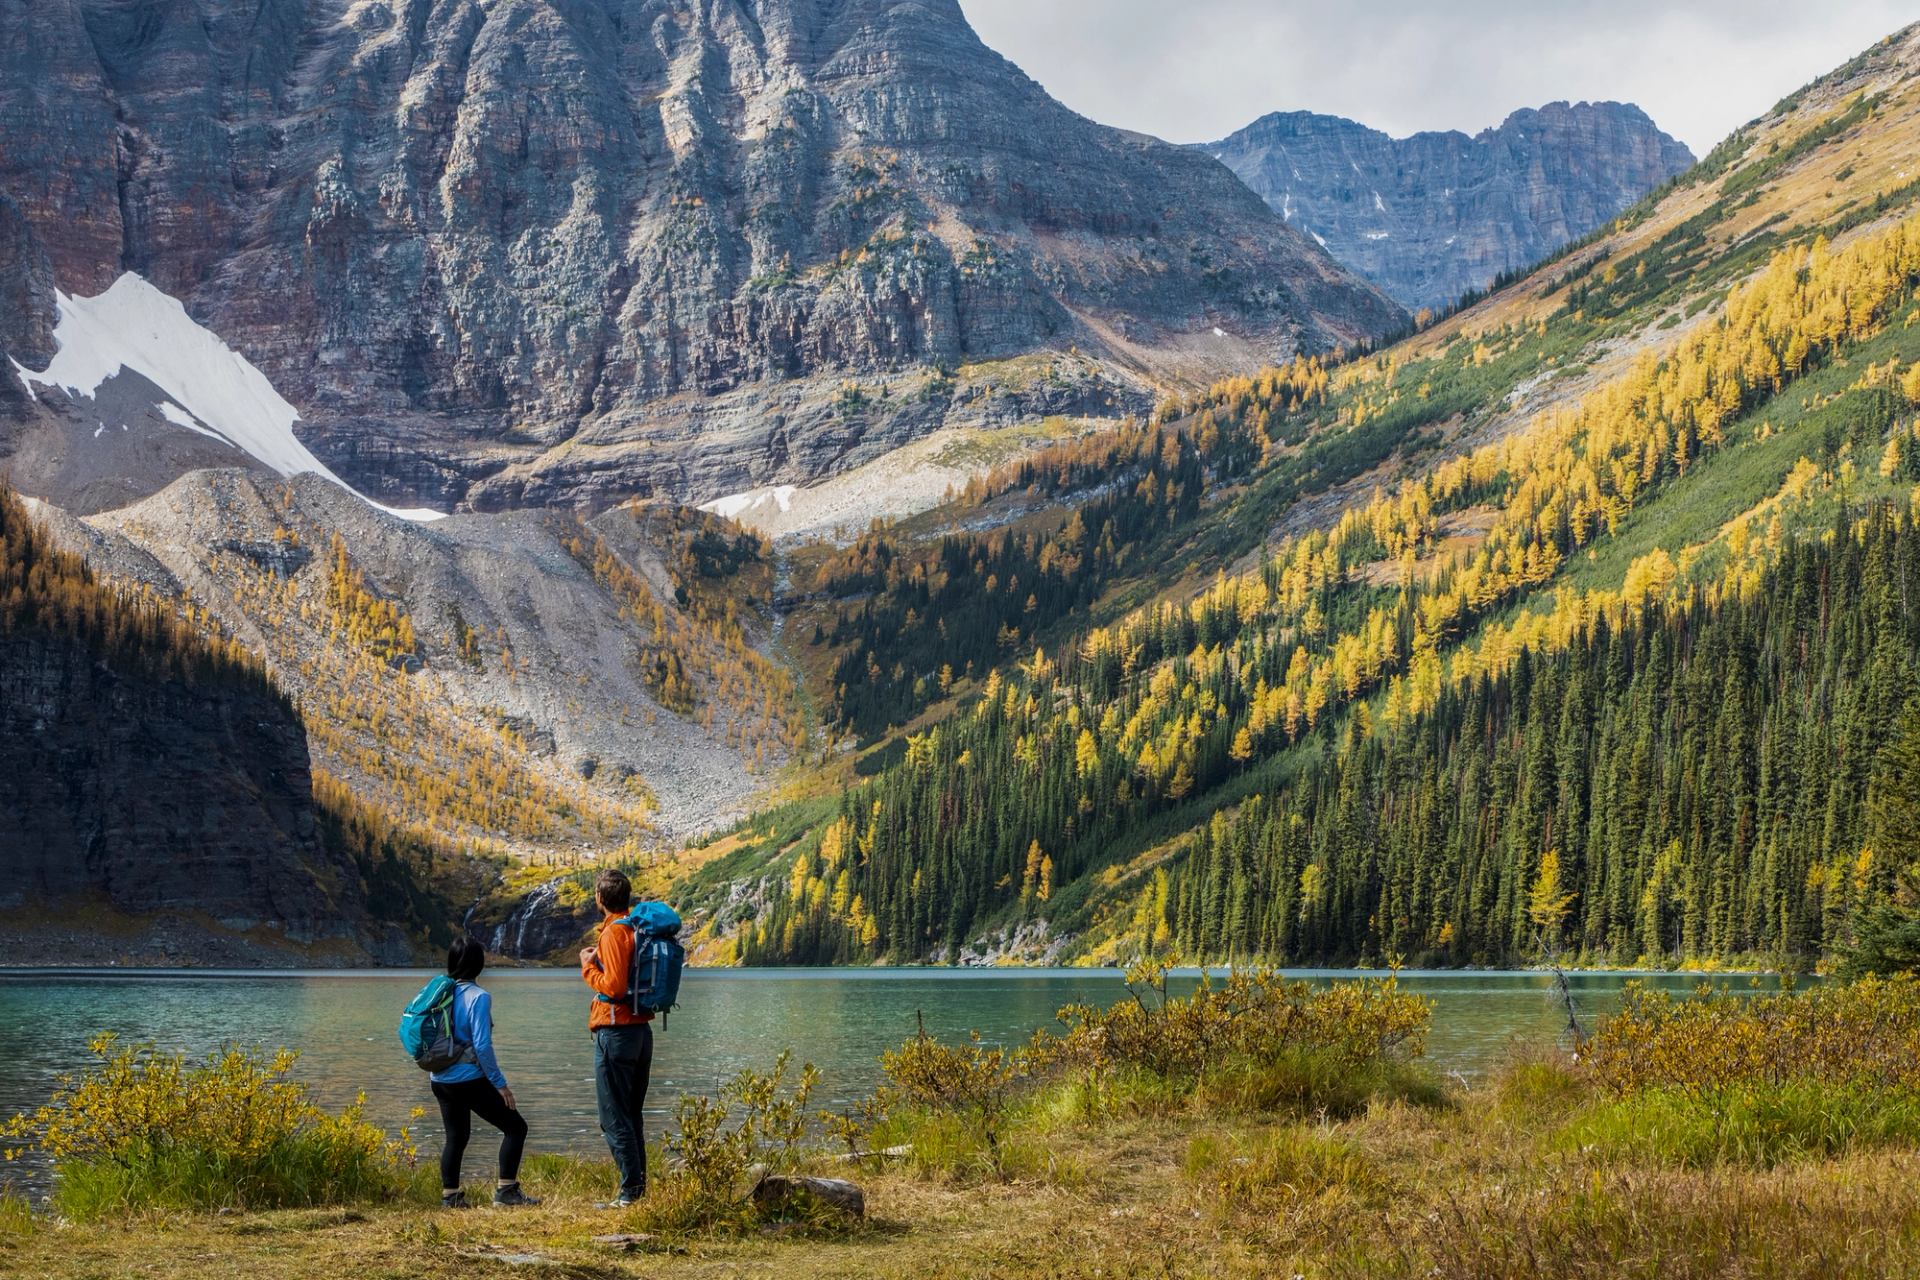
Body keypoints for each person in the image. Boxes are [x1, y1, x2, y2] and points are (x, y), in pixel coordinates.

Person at [431, 936, 539, 1209]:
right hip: (468, 1079)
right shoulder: (479, 997)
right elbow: (482, 1045)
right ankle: (506, 1192)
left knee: (456, 1137)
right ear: (479, 965)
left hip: (439, 1077)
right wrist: (500, 1084)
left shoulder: (439, 993)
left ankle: (450, 1197)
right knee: (516, 1127)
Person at [579, 868, 653, 1207]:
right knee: (631, 1113)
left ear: (599, 899)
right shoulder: (636, 928)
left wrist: (587, 968)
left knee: (613, 1116)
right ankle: (637, 1190)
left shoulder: (612, 934)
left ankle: (628, 1193)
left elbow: (614, 987)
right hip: (640, 1030)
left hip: (616, 1031)